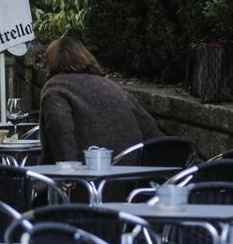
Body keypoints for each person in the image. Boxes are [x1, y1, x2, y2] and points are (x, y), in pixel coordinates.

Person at [38, 36, 161, 164]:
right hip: (135, 173)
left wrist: (67, 179)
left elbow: (61, 136)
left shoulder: (56, 88)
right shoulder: (110, 85)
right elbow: (150, 128)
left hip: (91, 175)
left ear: (50, 62)